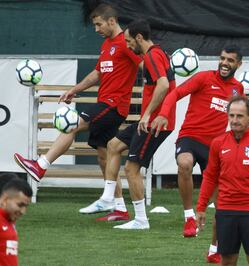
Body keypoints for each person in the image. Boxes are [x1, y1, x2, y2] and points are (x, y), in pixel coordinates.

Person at [14, 3, 142, 220]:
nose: (96, 29)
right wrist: (74, 89)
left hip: (113, 105)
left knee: (71, 124)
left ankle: (40, 166)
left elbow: (144, 63)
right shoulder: (107, 45)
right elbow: (97, 73)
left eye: (98, 24)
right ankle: (120, 208)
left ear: (111, 21)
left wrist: (160, 83)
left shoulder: (125, 43)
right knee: (105, 156)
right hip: (106, 104)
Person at [151, 46, 244, 263]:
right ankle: (189, 217)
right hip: (190, 138)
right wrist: (163, 114)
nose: (224, 63)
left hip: (216, 147)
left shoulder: (238, 89)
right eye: (222, 58)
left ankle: (214, 249)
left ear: (238, 64)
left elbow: (240, 118)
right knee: (184, 164)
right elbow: (174, 93)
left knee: (223, 203)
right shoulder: (203, 78)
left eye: (230, 60)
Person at [82, 19, 176, 229]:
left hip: (154, 123)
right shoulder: (158, 53)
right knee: (113, 146)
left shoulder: (152, 56)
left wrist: (147, 115)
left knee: (131, 169)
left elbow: (163, 86)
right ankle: (108, 197)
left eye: (128, 41)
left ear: (139, 38)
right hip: (151, 120)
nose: (127, 45)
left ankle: (141, 219)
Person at [196, 95, 249, 266]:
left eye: (240, 116)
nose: (234, 120)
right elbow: (210, 177)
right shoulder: (218, 143)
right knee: (226, 261)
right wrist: (201, 207)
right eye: (231, 115)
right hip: (226, 210)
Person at [0, 174, 32, 266]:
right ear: (5, 199)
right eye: (20, 205)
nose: (23, 211)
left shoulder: (9, 221)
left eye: (26, 206)